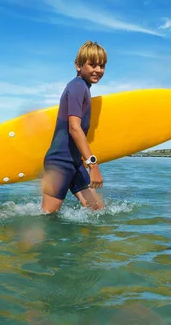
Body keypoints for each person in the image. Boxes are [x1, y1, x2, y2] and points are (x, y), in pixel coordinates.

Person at [41, 41, 107, 213]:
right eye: (92, 64)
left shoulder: (83, 87)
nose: (98, 70)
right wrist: (93, 165)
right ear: (78, 65)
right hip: (60, 163)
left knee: (97, 210)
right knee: (48, 219)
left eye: (102, 65)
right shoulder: (77, 87)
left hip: (75, 163)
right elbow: (74, 128)